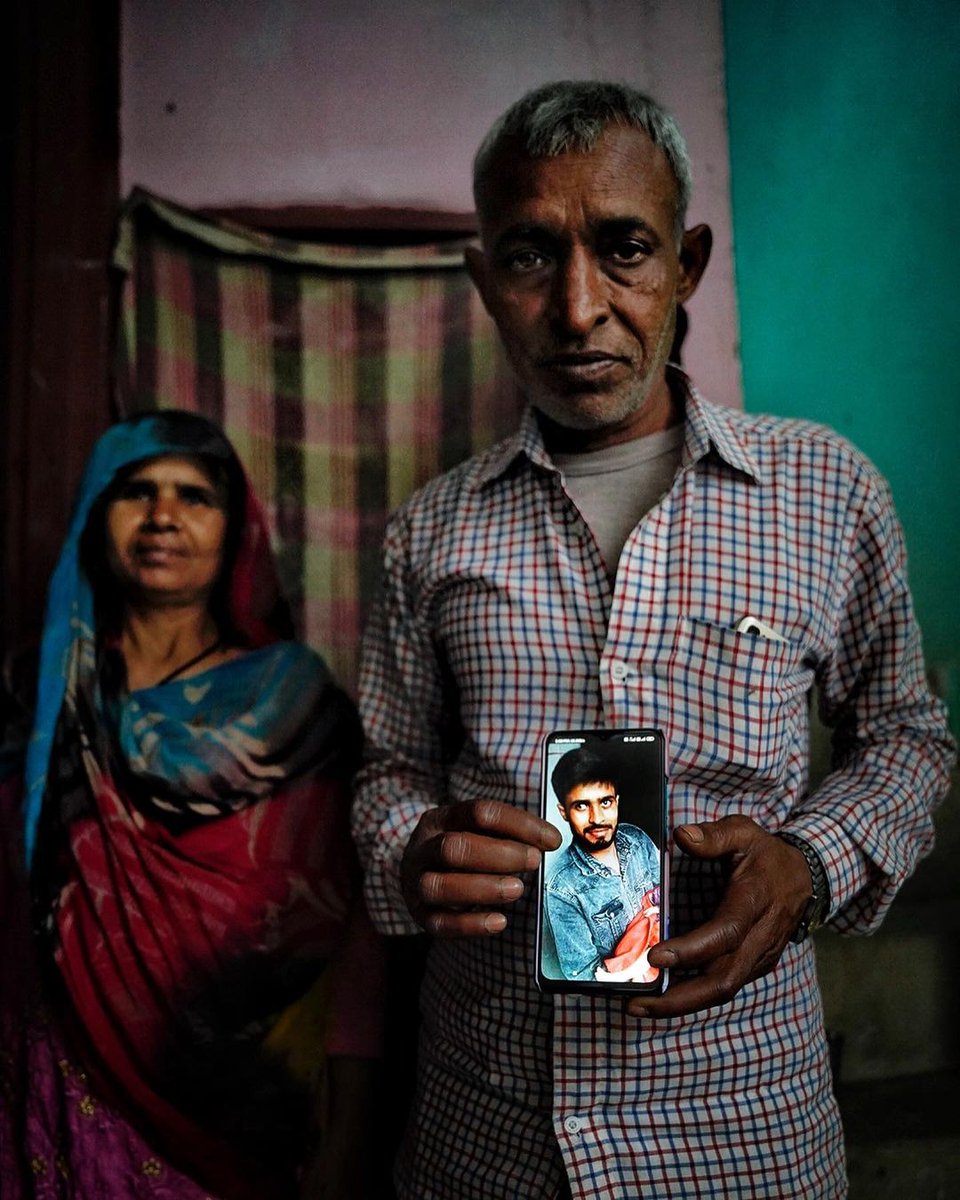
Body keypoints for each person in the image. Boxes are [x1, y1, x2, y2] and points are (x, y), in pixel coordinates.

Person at [351, 80, 956, 1199]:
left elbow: (912, 738)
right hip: (486, 1138)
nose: (579, 308)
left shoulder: (826, 492)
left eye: (624, 249)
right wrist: (411, 847)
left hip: (742, 1137)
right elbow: (386, 771)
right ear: (486, 282)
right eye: (531, 256)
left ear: (688, 264)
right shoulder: (429, 532)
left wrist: (811, 866)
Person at [0, 410, 383, 1199]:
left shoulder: (293, 704)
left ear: (237, 528)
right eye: (135, 492)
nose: (163, 517)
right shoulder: (37, 696)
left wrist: (349, 1132)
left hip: (239, 1103)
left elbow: (358, 922)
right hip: (49, 1092)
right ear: (95, 515)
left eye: (194, 496)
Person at [544, 744, 659, 980]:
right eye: (582, 806)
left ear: (616, 801)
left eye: (605, 802)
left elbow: (664, 900)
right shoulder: (561, 888)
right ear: (563, 812)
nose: (597, 819)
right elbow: (582, 975)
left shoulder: (637, 838)